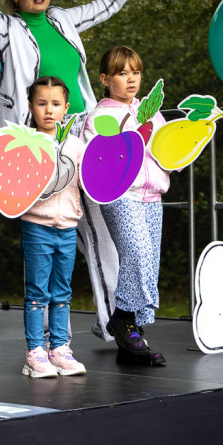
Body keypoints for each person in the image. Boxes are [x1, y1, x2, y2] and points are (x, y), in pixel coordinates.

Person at [0, 0, 153, 344]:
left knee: (102, 227)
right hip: (36, 140)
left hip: (84, 135)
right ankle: (43, 336)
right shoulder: (5, 28)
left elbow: (104, 6)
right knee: (48, 235)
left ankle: (115, 323)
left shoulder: (64, 18)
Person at [82, 46, 168, 366]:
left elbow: (163, 150)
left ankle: (132, 337)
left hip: (152, 196)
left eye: (136, 71)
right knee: (138, 253)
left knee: (149, 262)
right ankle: (121, 319)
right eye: (122, 73)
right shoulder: (100, 115)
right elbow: (99, 159)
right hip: (121, 195)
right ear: (106, 79)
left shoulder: (149, 109)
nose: (131, 78)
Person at [20, 76, 87, 377]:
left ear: (66, 108)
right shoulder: (24, 143)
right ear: (31, 106)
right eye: (42, 103)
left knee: (62, 291)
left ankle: (59, 348)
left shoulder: (76, 144)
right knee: (37, 292)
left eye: (56, 104)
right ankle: (35, 352)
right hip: (36, 225)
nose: (49, 110)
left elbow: (88, 181)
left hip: (69, 226)